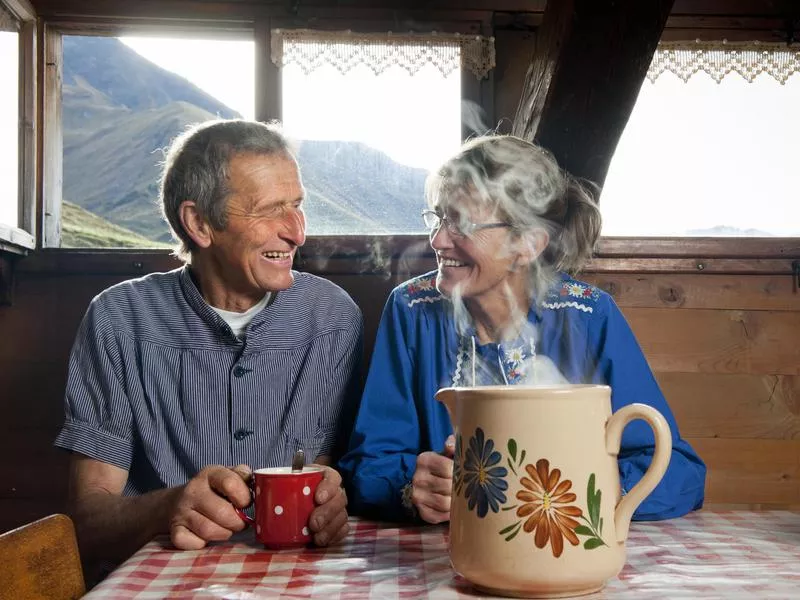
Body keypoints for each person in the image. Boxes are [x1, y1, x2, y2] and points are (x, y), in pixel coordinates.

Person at [339, 134, 705, 524]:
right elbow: (368, 464)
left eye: (461, 223)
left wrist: (583, 489)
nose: (438, 239)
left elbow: (677, 471)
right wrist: (411, 489)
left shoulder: (588, 314)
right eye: (439, 218)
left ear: (527, 244)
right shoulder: (412, 308)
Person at [55, 120, 363, 576]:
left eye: (297, 206)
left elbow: (327, 471)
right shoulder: (119, 320)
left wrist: (333, 498)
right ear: (199, 223)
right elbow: (86, 523)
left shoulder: (333, 318)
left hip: (295, 580)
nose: (297, 232)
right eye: (269, 210)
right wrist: (169, 506)